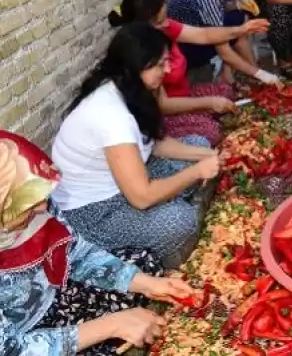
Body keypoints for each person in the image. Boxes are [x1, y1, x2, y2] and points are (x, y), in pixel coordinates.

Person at [0, 133, 195, 356]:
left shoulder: (36, 207)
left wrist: (144, 283)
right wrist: (112, 325)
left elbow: (75, 253)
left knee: (143, 263)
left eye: (41, 197)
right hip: (24, 339)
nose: (43, 207)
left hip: (54, 298)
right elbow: (12, 350)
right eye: (28, 205)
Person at [51, 23, 221, 269]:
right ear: (139, 64)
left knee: (198, 143)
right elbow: (141, 197)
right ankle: (139, 234)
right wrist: (197, 171)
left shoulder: (131, 88)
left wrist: (208, 155)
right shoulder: (111, 116)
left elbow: (154, 145)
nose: (169, 68)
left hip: (122, 184)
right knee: (182, 221)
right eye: (162, 63)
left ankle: (167, 200)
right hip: (94, 211)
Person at [109, 0, 270, 145]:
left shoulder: (164, 28)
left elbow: (204, 35)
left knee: (226, 91)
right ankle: (203, 121)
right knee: (211, 131)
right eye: (160, 22)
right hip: (166, 114)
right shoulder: (141, 55)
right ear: (142, 26)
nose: (167, 24)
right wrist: (208, 103)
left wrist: (241, 29)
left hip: (185, 95)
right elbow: (163, 106)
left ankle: (207, 115)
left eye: (166, 18)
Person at [167, 0, 280, 85]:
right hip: (185, 42)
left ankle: (243, 71)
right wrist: (261, 74)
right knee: (231, 34)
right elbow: (223, 50)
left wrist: (238, 4)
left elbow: (222, 5)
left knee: (238, 15)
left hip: (200, 22)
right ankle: (232, 75)